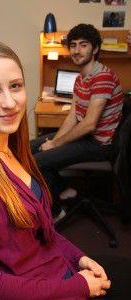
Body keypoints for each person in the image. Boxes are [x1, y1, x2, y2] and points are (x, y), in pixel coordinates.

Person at [0, 39, 111, 299]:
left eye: (15, 86)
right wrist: (79, 286)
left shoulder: (13, 148)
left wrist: (78, 257)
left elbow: (40, 234)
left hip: (59, 274)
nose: (10, 102)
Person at [31, 24, 123, 221]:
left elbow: (89, 124)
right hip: (87, 137)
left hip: (101, 144)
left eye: (83, 45)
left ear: (95, 48)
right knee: (31, 148)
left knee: (38, 161)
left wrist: (55, 144)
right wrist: (54, 140)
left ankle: (57, 211)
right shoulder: (80, 78)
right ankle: (65, 190)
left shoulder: (102, 77)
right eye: (73, 45)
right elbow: (73, 115)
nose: (76, 50)